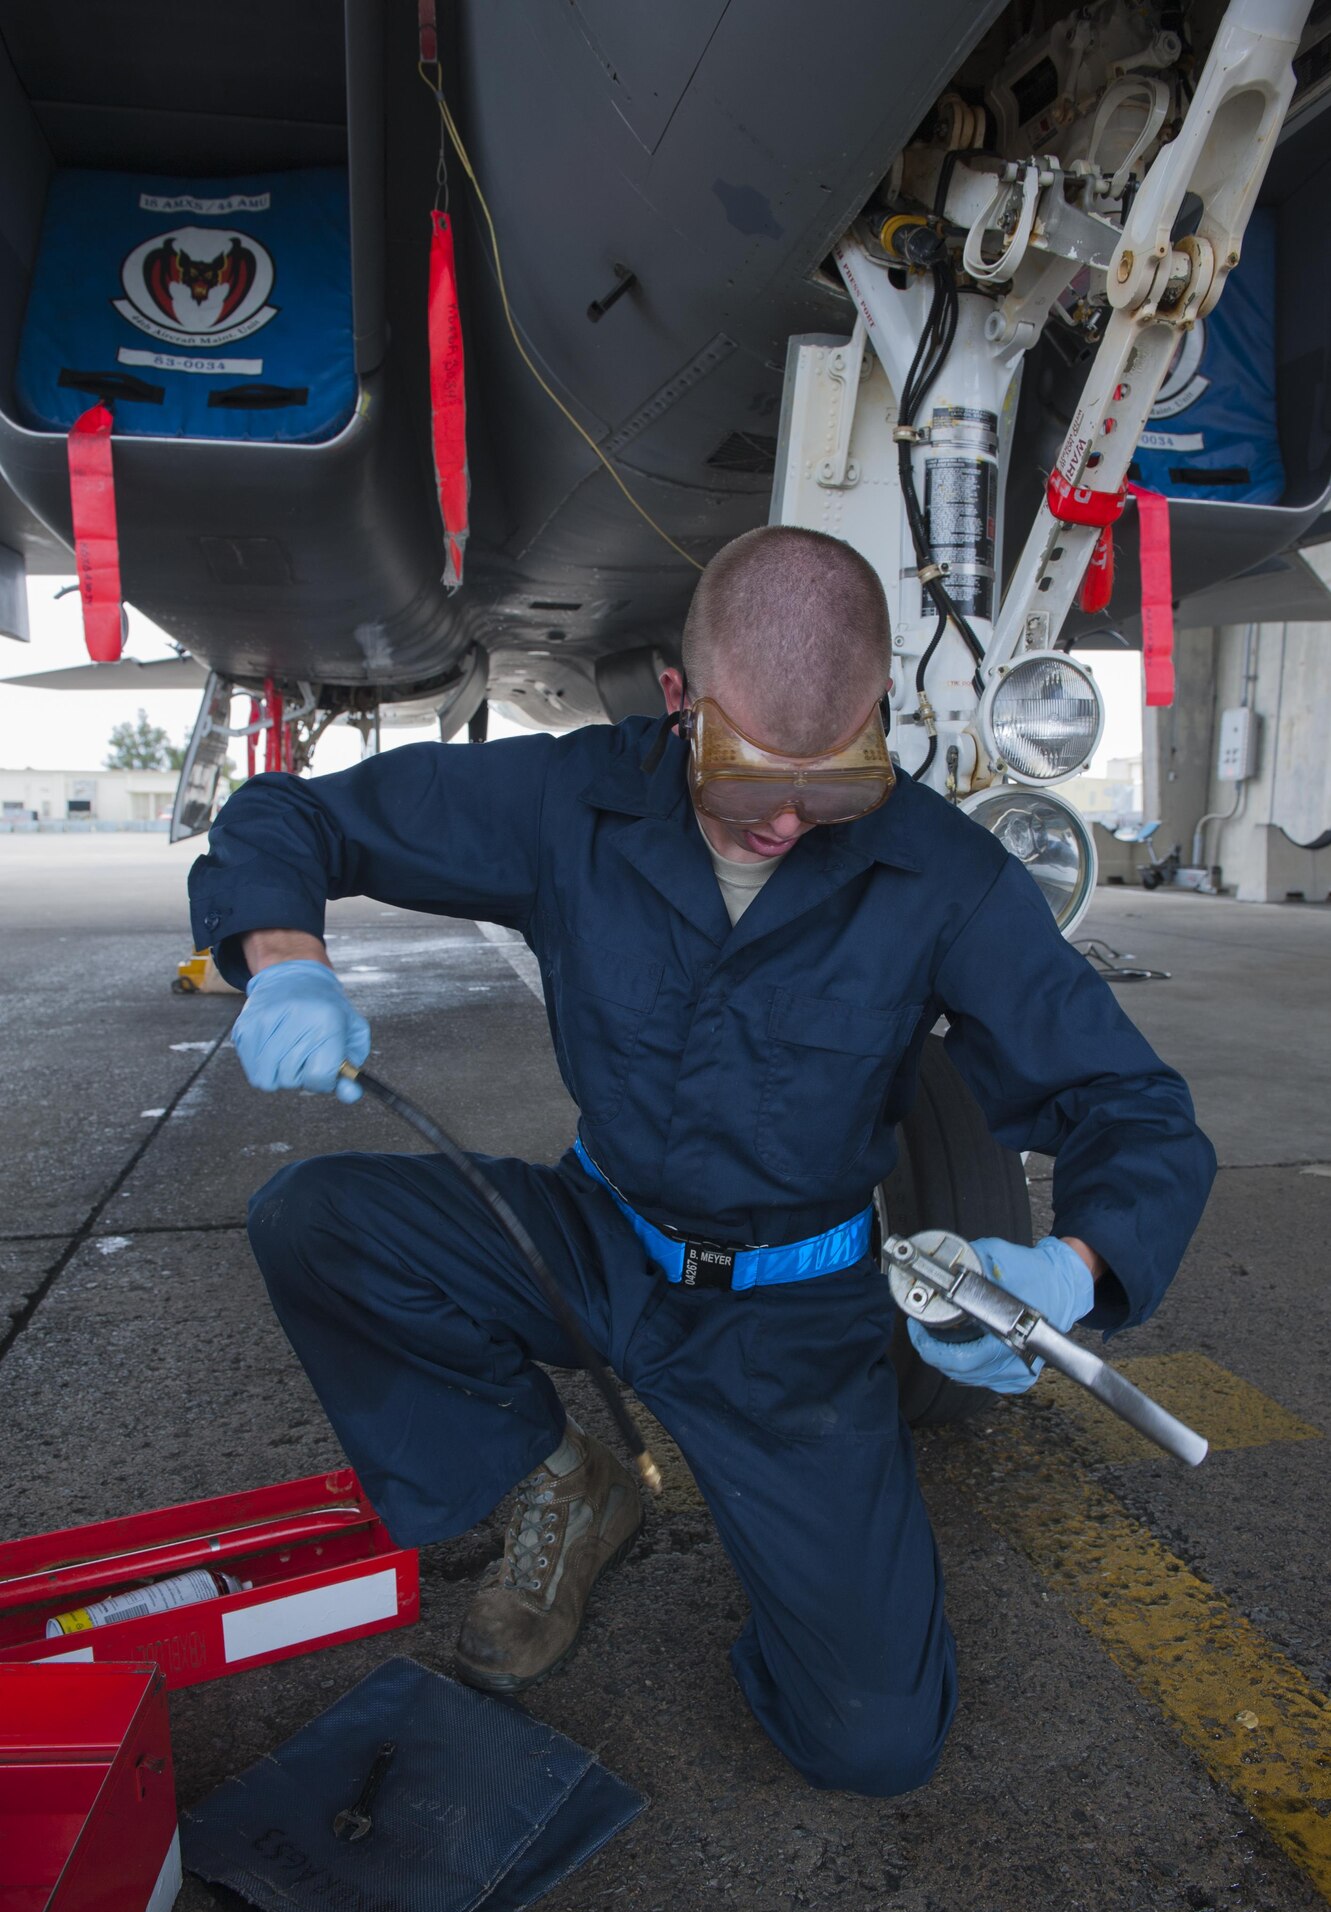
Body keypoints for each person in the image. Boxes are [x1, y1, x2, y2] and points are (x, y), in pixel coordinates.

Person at [188, 525, 1215, 1797]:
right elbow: (287, 813)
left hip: (792, 1316)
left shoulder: (940, 874)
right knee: (318, 1218)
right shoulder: (572, 800)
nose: (788, 818)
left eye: (832, 783)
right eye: (747, 783)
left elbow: (1131, 1102)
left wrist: (1066, 1265)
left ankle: (790, 1555)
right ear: (680, 705)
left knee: (873, 1740)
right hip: (597, 1238)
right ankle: (562, 1477)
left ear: (878, 717)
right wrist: (284, 957)